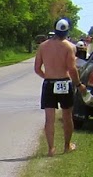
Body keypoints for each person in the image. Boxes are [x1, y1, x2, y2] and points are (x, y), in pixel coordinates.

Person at [34, 17, 81, 156]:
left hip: (49, 83)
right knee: (67, 116)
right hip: (64, 83)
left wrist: (48, 77)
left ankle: (51, 149)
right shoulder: (70, 47)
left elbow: (37, 68)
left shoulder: (43, 46)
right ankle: (67, 146)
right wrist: (78, 84)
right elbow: (72, 69)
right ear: (67, 31)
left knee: (49, 118)